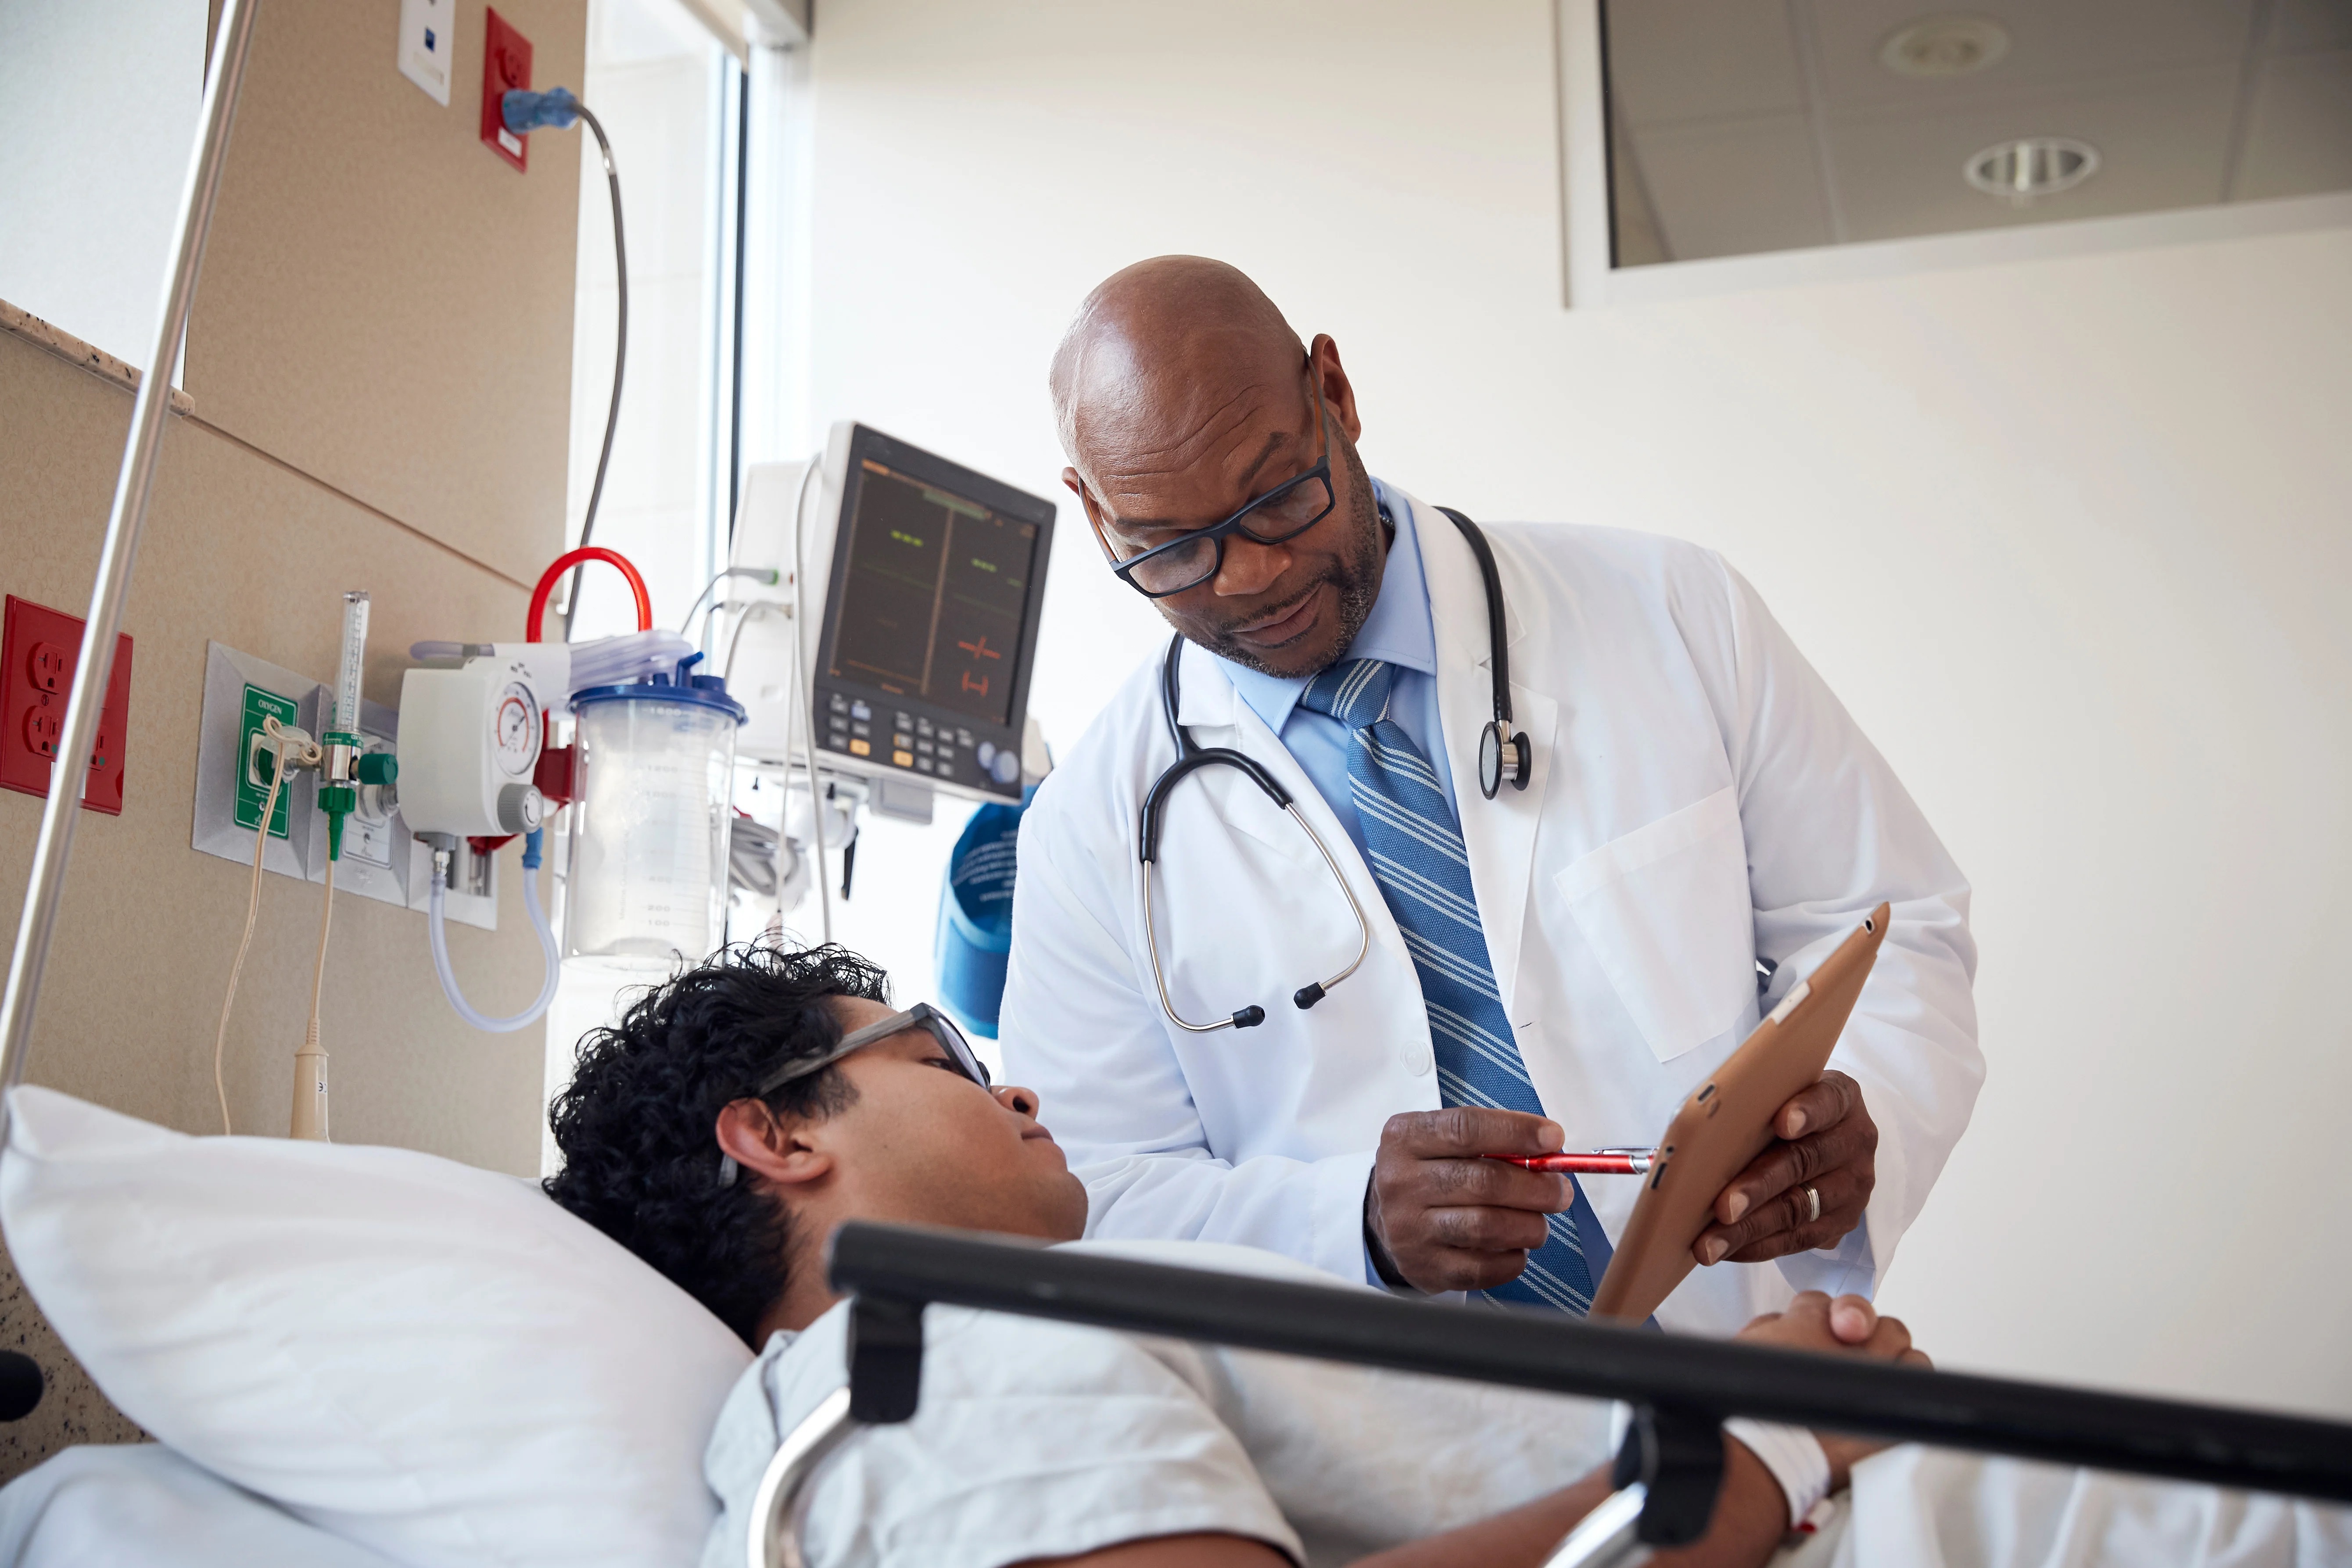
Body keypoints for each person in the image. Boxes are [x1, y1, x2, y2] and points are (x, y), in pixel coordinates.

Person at [542, 945, 2346, 1568]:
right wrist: (1767, 1434)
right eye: (933, 1047)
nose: (1005, 1075)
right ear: (776, 1134)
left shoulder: (986, 1343)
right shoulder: (916, 1366)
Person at [997, 257, 1982, 1333]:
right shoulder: (1088, 833)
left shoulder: (1670, 612)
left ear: (1334, 394)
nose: (1245, 576)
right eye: (1171, 551)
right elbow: (1084, 1197)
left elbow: (1894, 928)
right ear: (1095, 517)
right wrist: (1349, 1223)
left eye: (1277, 498)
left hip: (1737, 1369)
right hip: (1391, 1464)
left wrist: (1861, 1112)